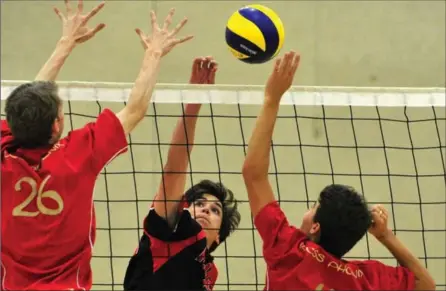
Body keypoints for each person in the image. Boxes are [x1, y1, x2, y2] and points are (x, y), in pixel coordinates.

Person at [1, 0, 192, 289]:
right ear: (57, 125)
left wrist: (65, 43)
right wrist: (154, 53)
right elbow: (135, 109)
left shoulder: (5, 151)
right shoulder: (79, 154)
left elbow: (26, 103)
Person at [241, 51, 436, 290]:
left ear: (315, 227)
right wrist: (385, 236)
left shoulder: (289, 250)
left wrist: (272, 98)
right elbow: (425, 285)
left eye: (314, 207)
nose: (309, 210)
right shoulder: (363, 279)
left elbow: (253, 173)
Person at [123, 56, 241, 291]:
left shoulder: (210, 272)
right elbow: (175, 168)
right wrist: (194, 101)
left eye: (215, 210)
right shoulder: (170, 228)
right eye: (199, 204)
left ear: (218, 236)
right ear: (185, 208)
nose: (206, 209)